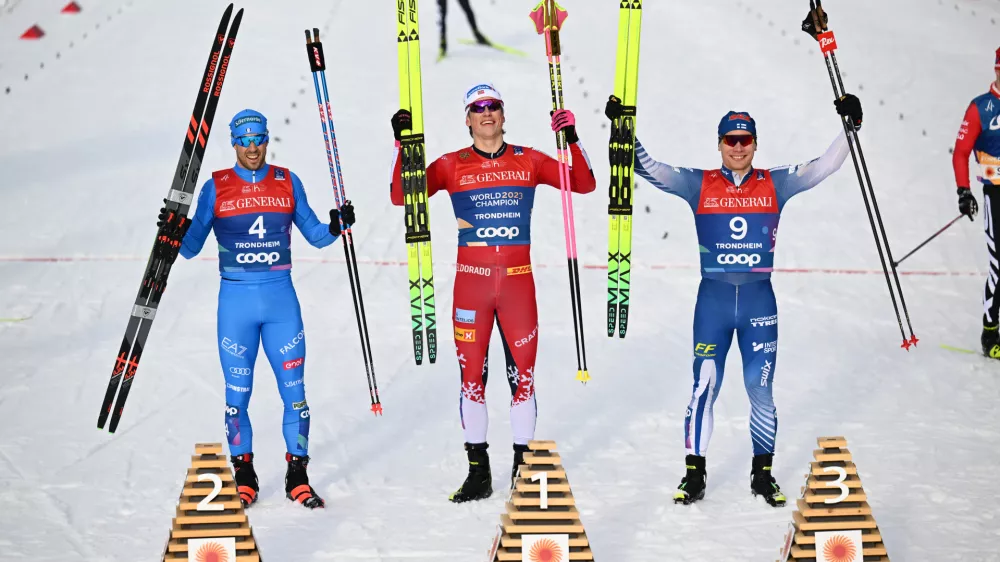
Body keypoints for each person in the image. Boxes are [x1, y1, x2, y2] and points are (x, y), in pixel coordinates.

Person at [604, 91, 862, 507]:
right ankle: (694, 474)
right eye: (730, 140)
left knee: (759, 389)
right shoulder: (698, 183)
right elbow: (650, 168)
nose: (738, 147)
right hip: (714, 302)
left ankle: (763, 474)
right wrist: (623, 131)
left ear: (756, 144)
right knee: (704, 386)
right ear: (719, 143)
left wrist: (851, 126)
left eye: (745, 139)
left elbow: (826, 165)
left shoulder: (776, 182)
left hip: (760, 303)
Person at [389, 83, 596, 503]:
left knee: (524, 378)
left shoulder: (529, 160)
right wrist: (402, 147)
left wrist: (571, 138)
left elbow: (585, 183)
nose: (487, 113)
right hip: (472, 284)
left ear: (504, 115)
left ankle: (523, 469)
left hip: (518, 283)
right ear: (467, 118)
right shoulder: (451, 165)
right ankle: (478, 472)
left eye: (494, 106)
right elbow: (401, 195)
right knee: (472, 381)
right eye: (478, 108)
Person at [157, 109, 355, 510]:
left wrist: (336, 224)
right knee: (237, 396)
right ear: (233, 142)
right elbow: (192, 247)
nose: (252, 147)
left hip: (281, 301)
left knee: (295, 395)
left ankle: (297, 476)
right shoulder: (217, 186)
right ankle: (243, 474)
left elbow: (316, 236)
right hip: (236, 303)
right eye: (244, 140)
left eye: (258, 139)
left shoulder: (287, 181)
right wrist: (174, 230)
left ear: (267, 139)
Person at [952, 47, 1000, 358]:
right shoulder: (980, 108)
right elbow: (960, 152)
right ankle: (990, 333)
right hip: (996, 193)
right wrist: (964, 191)